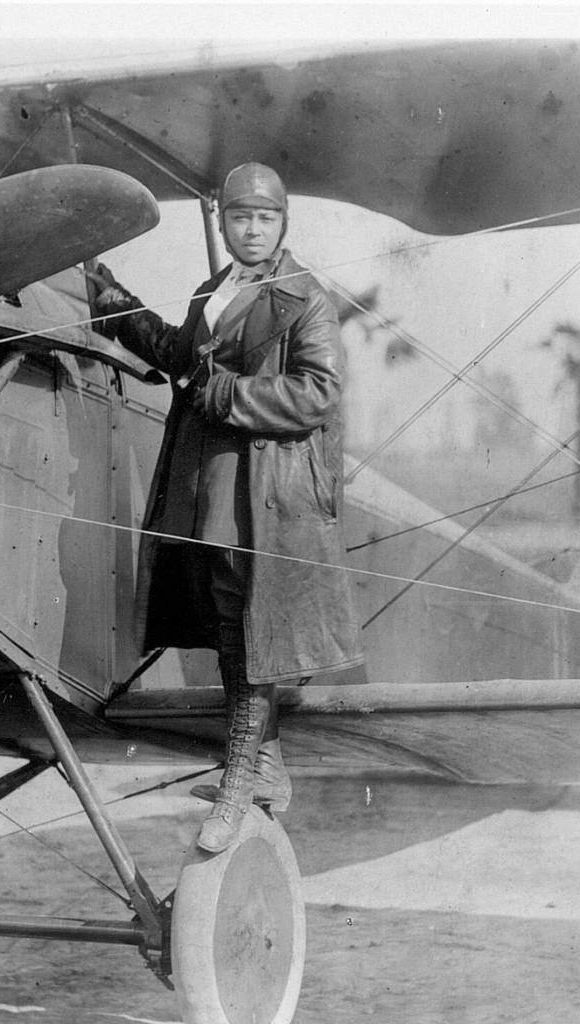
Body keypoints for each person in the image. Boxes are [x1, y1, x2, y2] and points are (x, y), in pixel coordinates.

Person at [84, 162, 363, 853]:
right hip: (210, 480)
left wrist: (229, 397)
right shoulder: (217, 289)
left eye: (265, 218)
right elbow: (177, 353)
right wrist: (114, 301)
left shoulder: (305, 300)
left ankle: (240, 780)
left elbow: (318, 394)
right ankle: (265, 769)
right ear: (224, 223)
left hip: (261, 488)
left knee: (247, 625)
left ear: (283, 223)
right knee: (229, 618)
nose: (252, 228)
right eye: (240, 217)